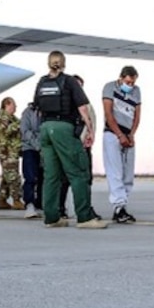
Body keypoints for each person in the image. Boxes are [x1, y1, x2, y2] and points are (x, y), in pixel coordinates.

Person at [35, 51, 106, 229]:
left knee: (51, 176)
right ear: (64, 63)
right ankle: (85, 217)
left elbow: (37, 108)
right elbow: (83, 108)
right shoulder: (69, 81)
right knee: (78, 172)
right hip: (63, 128)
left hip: (45, 128)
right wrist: (90, 130)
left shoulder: (42, 83)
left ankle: (52, 217)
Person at [102, 65, 141, 224]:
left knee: (128, 173)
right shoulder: (110, 87)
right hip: (113, 134)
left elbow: (137, 114)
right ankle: (118, 206)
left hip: (128, 134)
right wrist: (119, 134)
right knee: (115, 171)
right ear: (121, 78)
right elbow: (108, 113)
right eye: (127, 82)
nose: (130, 85)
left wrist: (131, 134)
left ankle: (123, 205)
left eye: (132, 82)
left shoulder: (136, 91)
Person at [59, 74, 98, 218]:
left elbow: (92, 123)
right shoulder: (64, 105)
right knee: (64, 180)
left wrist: (90, 138)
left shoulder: (87, 105)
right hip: (69, 147)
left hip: (84, 148)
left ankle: (86, 208)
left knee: (86, 180)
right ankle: (60, 208)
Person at [0, 97, 25, 210]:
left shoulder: (12, 119)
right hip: (7, 152)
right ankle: (17, 200)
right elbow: (5, 132)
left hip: (12, 151)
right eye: (13, 105)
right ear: (7, 104)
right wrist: (19, 125)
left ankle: (2, 200)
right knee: (13, 177)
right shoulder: (3, 119)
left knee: (6, 177)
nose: (15, 107)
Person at [20, 101, 44, 219]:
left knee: (44, 178)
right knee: (30, 177)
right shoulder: (27, 113)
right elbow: (25, 131)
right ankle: (29, 204)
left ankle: (42, 204)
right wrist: (37, 145)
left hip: (45, 149)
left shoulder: (49, 111)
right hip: (29, 148)